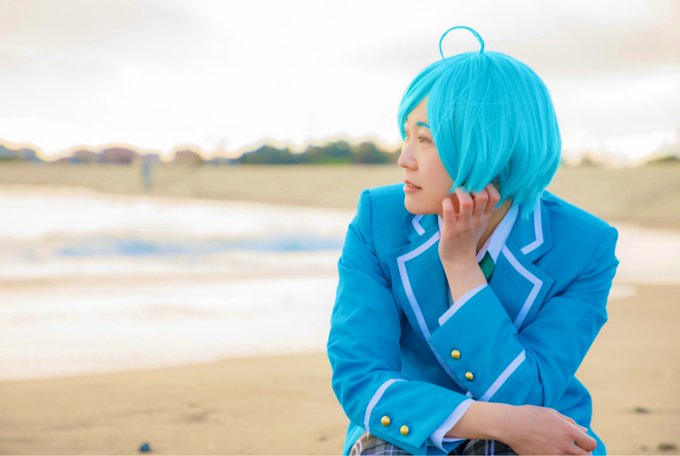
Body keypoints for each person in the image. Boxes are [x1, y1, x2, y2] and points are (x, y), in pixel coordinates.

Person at [326, 25, 619, 455]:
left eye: (424, 139)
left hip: (539, 433)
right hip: (410, 428)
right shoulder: (378, 220)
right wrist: (498, 422)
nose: (404, 159)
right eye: (406, 135)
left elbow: (526, 394)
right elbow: (359, 377)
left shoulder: (584, 246)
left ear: (487, 147)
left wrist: (461, 266)